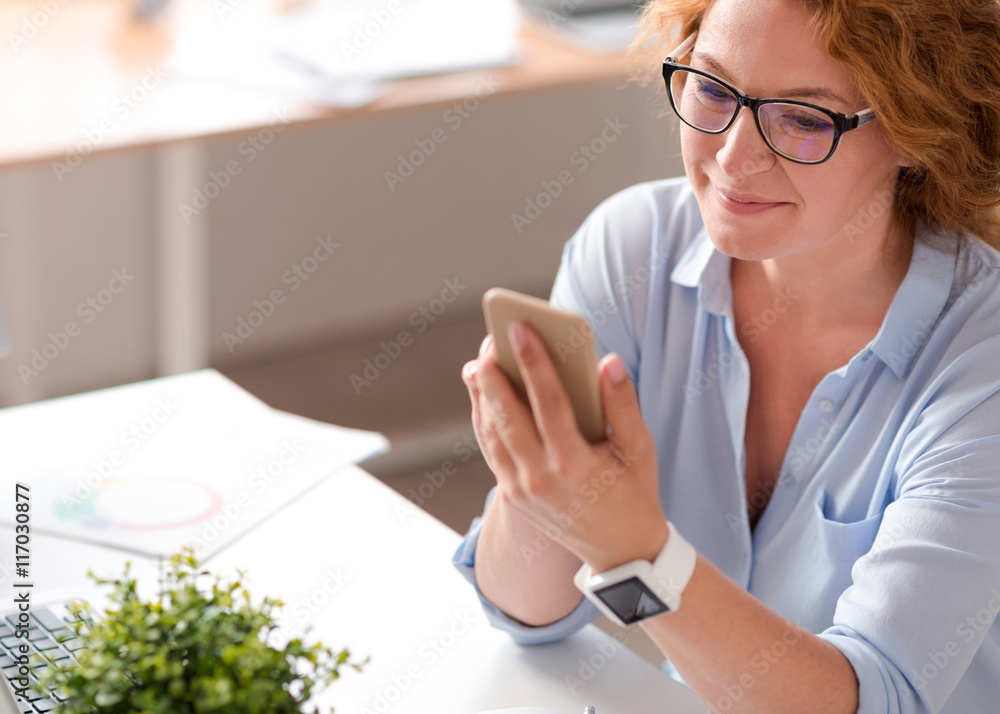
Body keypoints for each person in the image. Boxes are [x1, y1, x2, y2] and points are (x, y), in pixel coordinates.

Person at [452, 0, 1000, 712]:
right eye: (713, 90)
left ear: (919, 133)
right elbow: (527, 612)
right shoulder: (632, 252)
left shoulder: (981, 364)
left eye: (803, 119)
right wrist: (538, 482)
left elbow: (875, 698)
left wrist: (635, 549)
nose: (734, 158)